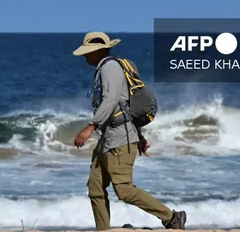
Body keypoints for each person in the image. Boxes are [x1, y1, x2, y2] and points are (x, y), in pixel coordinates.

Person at [72, 31, 187, 231]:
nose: (85, 56)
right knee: (96, 188)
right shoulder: (106, 68)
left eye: (88, 52)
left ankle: (171, 217)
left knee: (124, 190)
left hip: (119, 140)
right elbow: (126, 107)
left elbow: (111, 100)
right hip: (109, 139)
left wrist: (90, 126)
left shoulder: (109, 68)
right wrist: (140, 136)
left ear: (99, 51)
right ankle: (103, 229)